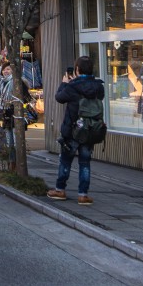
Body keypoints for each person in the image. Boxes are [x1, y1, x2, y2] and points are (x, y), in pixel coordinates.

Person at [47, 55, 106, 206]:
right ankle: (83, 195)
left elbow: (59, 97)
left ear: (77, 69)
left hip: (73, 129)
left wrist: (65, 83)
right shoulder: (99, 87)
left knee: (65, 161)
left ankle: (60, 190)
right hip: (90, 129)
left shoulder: (72, 86)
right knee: (85, 162)